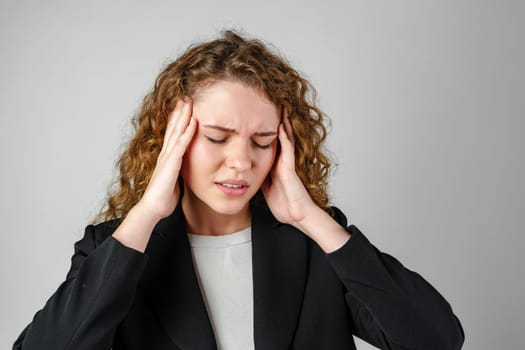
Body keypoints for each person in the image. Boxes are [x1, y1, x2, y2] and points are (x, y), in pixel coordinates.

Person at [13, 30, 464, 350]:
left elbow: (435, 340)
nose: (241, 161)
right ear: (173, 139)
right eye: (216, 137)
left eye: (262, 142)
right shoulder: (117, 248)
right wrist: (146, 213)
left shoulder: (314, 243)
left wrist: (312, 219)